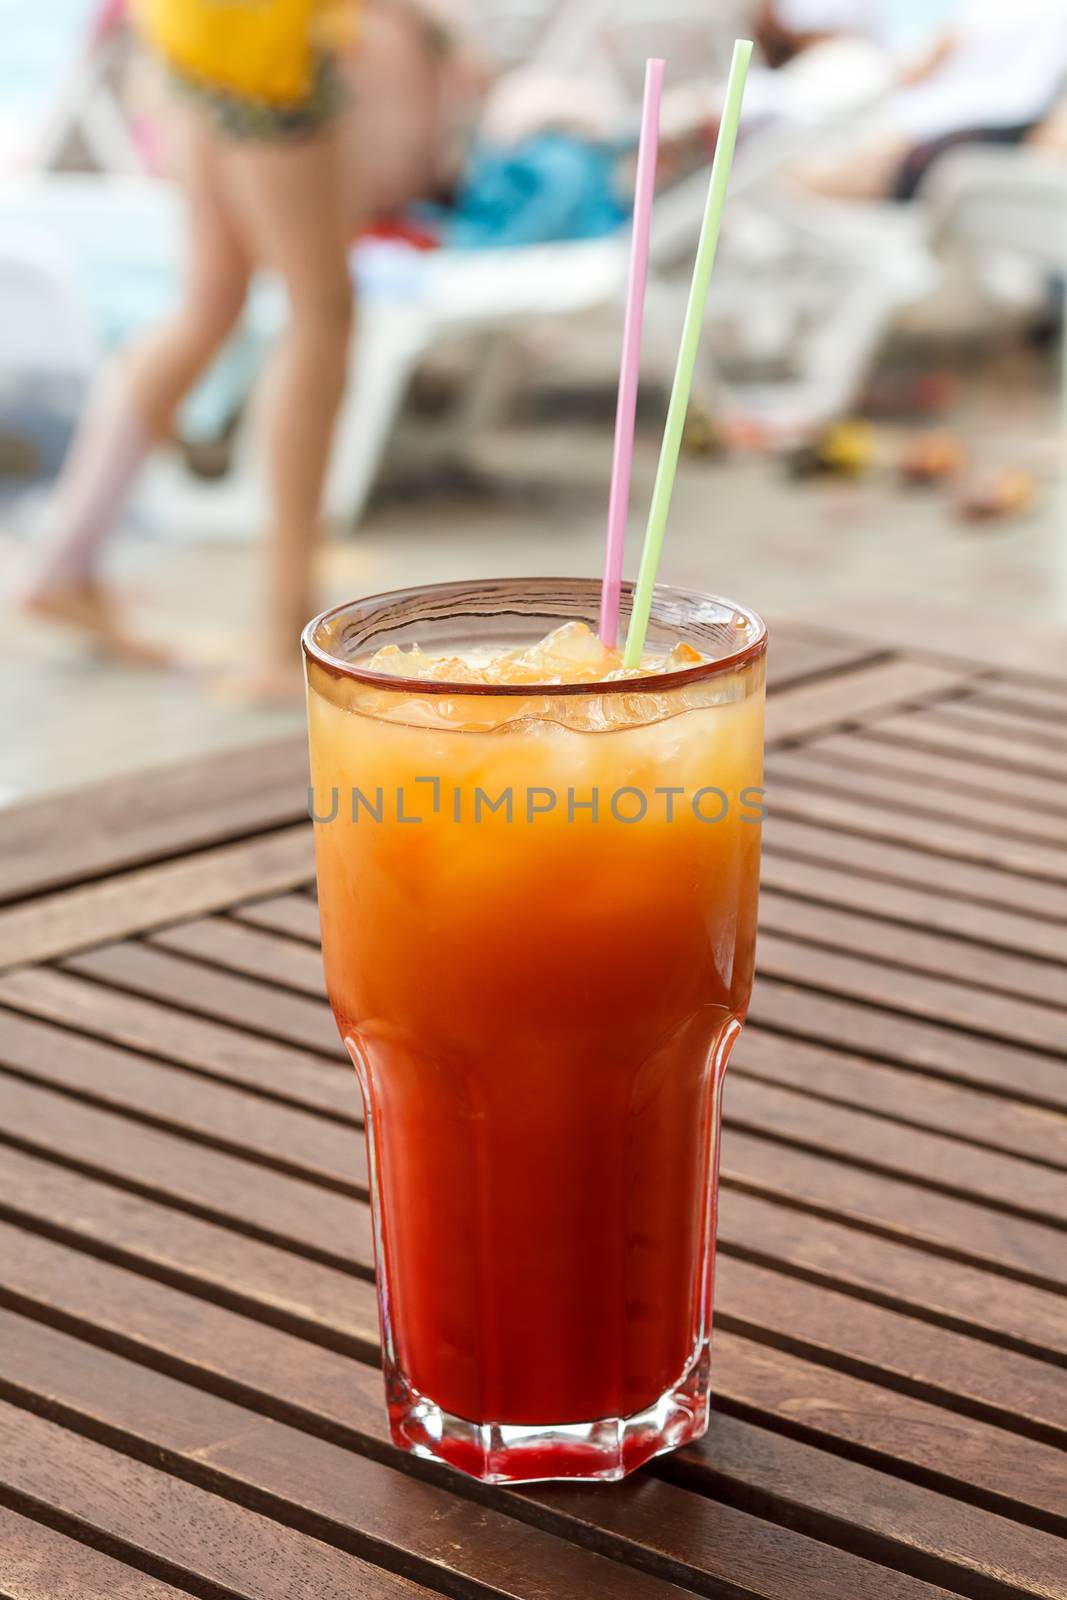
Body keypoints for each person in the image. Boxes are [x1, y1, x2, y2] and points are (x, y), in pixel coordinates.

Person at [25, 0, 359, 699]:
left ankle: (64, 562)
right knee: (320, 315)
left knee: (212, 300)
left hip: (193, 37)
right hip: (261, 48)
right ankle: (284, 629)